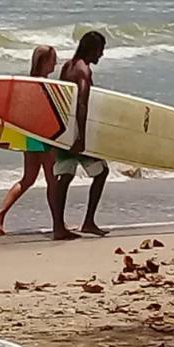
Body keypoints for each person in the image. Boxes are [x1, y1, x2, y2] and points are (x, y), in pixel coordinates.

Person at [0, 45, 58, 234]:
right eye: (53, 60)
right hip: (44, 137)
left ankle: (1, 213)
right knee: (53, 181)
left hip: (30, 137)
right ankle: (57, 224)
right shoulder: (45, 86)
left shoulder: (27, 84)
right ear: (45, 62)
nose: (55, 63)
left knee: (28, 179)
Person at [51, 31, 109, 240]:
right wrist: (81, 137)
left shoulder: (68, 66)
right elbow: (82, 103)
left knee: (64, 177)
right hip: (76, 132)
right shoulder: (84, 70)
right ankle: (88, 222)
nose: (101, 54)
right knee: (101, 173)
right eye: (100, 50)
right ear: (92, 49)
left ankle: (58, 227)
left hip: (64, 130)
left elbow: (62, 97)